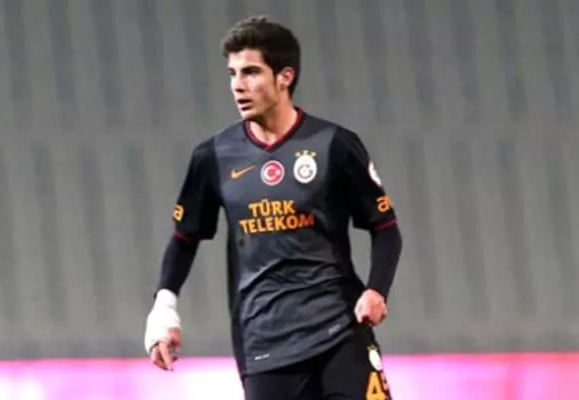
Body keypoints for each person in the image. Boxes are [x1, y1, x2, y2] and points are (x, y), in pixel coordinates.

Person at [143, 15, 403, 400]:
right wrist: (164, 308)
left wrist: (377, 290)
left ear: (285, 77)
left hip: (340, 332)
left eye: (250, 72)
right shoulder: (214, 156)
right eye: (232, 74)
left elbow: (385, 228)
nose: (237, 85)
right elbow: (184, 239)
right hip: (264, 346)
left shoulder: (334, 145)